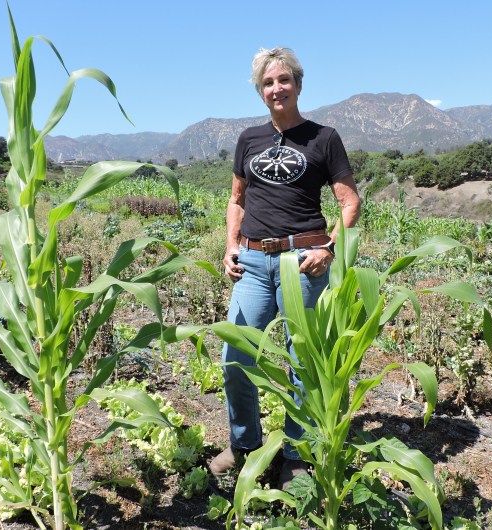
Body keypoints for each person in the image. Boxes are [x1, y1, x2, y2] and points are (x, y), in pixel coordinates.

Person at [209, 47, 361, 488]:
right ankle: (244, 446)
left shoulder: (324, 137)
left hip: (305, 262)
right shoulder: (249, 140)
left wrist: (329, 248)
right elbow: (236, 199)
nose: (277, 89)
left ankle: (297, 454)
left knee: (303, 362)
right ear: (260, 91)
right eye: (268, 83)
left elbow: (348, 201)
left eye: (284, 80)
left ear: (298, 84)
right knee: (235, 357)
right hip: (254, 263)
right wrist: (230, 246)